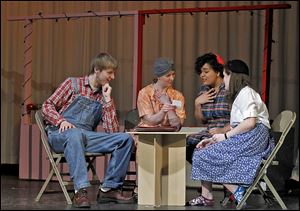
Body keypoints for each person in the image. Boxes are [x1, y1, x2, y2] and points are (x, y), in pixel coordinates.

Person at [42, 52, 135, 208]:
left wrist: (107, 101)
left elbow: (111, 131)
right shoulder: (72, 84)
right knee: (74, 134)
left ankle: (108, 189)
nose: (113, 77)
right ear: (97, 69)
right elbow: (47, 106)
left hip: (85, 136)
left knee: (124, 139)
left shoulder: (103, 95)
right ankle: (80, 191)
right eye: (110, 72)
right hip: (61, 134)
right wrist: (61, 121)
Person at [188, 59, 275, 207]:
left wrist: (224, 136)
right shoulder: (240, 95)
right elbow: (240, 125)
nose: (223, 80)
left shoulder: (246, 93)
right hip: (249, 135)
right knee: (203, 150)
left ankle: (236, 190)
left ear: (234, 77)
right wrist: (213, 140)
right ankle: (207, 196)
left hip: (254, 136)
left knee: (204, 154)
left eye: (225, 76)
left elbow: (250, 122)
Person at [186, 53, 231, 164]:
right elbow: (202, 120)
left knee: (202, 152)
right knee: (188, 145)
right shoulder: (204, 90)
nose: (202, 75)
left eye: (206, 72)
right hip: (209, 132)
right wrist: (197, 103)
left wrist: (222, 130)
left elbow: (239, 120)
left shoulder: (229, 90)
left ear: (217, 72)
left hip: (227, 133)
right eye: (201, 72)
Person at [137, 58, 186, 130]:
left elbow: (176, 124)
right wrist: (163, 110)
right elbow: (150, 122)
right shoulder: (145, 93)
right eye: (168, 75)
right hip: (148, 134)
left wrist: (167, 103)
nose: (172, 78)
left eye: (173, 74)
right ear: (158, 76)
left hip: (171, 136)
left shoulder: (177, 95)